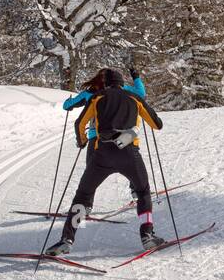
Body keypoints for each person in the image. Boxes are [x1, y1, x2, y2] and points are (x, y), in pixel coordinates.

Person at [46, 68, 166, 256]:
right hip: (128, 153)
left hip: (101, 154)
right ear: (121, 82)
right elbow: (157, 124)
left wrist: (82, 140)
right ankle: (147, 235)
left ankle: (66, 239)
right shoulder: (133, 97)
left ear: (106, 82)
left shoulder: (97, 97)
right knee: (142, 191)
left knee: (83, 195)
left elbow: (79, 123)